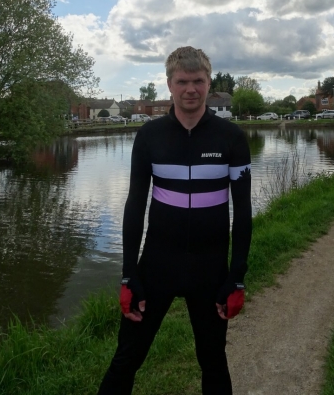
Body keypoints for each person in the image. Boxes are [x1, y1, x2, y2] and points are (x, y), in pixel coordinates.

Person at [97, 46, 252, 395]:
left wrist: (237, 277)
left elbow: (243, 213)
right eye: (183, 81)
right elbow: (135, 205)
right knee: (127, 357)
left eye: (198, 81)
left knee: (213, 360)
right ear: (169, 84)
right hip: (157, 265)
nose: (191, 90)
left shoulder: (232, 138)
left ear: (209, 83)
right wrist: (128, 272)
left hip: (209, 268)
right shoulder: (149, 136)